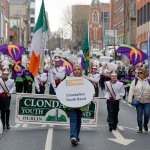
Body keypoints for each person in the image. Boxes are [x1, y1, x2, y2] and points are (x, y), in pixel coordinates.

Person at [68, 64, 92, 146]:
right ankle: (73, 137)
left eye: (78, 69)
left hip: (82, 105)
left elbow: (89, 92)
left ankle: (76, 137)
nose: (77, 71)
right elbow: (64, 92)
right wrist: (67, 104)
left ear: (81, 70)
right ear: (73, 70)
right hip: (71, 104)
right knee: (73, 120)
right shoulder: (68, 79)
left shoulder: (86, 80)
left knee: (78, 121)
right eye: (75, 69)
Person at [128, 68, 150, 133]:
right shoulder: (135, 81)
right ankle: (140, 128)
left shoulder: (149, 81)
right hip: (138, 101)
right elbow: (131, 90)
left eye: (141, 73)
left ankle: (145, 125)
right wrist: (130, 100)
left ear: (145, 73)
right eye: (139, 73)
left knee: (147, 114)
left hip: (148, 101)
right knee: (139, 114)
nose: (139, 74)